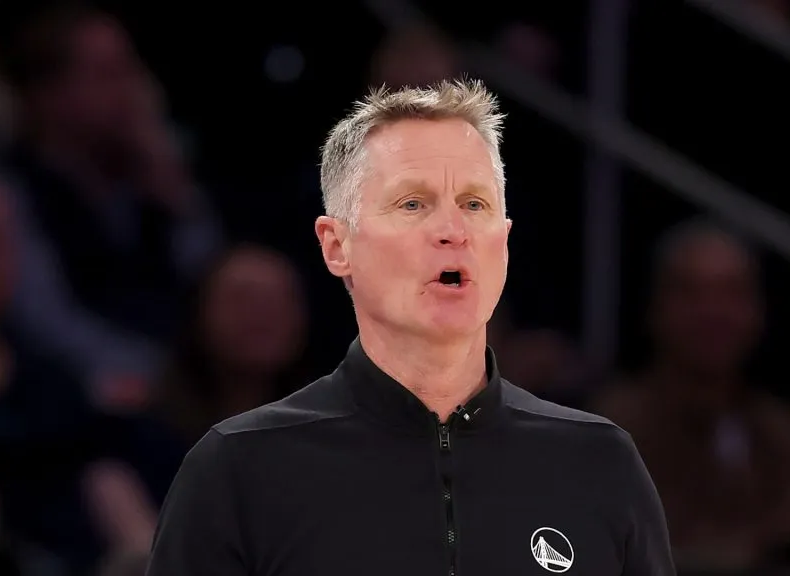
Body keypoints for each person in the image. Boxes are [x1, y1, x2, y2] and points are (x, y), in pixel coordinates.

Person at [146, 80, 675, 575]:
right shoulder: (238, 470)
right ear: (337, 245)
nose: (452, 231)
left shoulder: (600, 465)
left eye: (474, 204)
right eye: (413, 204)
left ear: (505, 241)